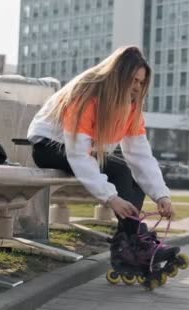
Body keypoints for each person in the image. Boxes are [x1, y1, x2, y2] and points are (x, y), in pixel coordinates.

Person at [26, 46, 177, 268]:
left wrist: (161, 195)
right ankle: (134, 244)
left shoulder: (131, 108)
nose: (137, 87)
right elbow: (77, 154)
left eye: (141, 82)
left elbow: (140, 155)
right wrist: (111, 198)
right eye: (133, 80)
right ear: (118, 76)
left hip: (80, 151)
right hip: (48, 147)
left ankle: (129, 245)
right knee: (120, 170)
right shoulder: (87, 95)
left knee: (133, 176)